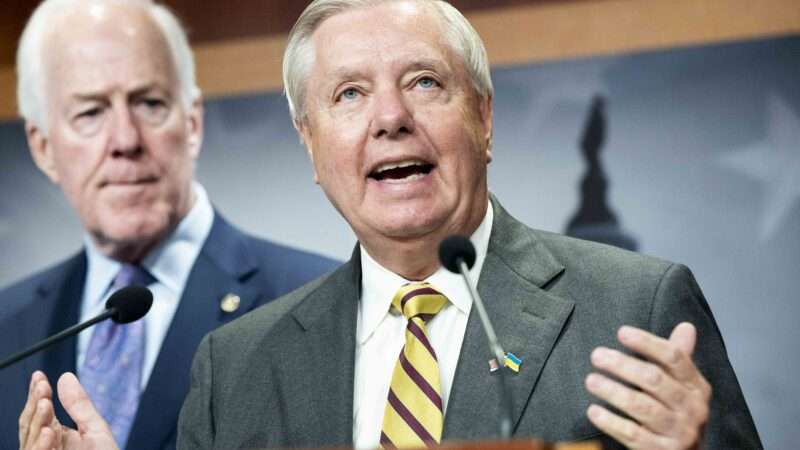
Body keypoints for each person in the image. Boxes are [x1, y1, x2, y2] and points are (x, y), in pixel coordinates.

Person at [19, 1, 762, 449]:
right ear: (311, 145)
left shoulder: (636, 309)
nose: (390, 119)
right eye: (348, 94)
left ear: (484, 117)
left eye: (424, 82)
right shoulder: (235, 368)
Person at [3, 1, 338, 449]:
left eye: (149, 103)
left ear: (192, 121)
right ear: (43, 147)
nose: (125, 140)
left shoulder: (320, 302)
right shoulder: (6, 328)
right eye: (89, 113)